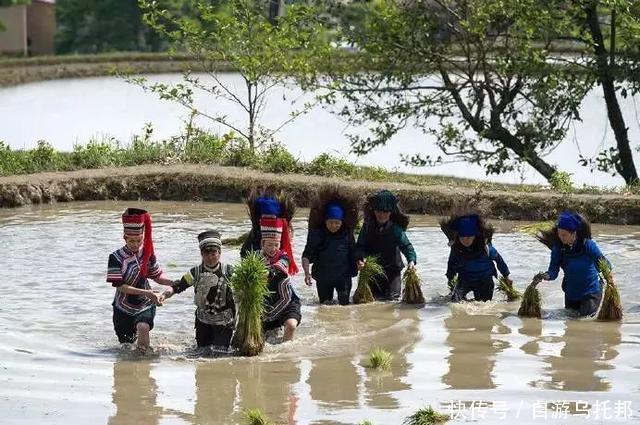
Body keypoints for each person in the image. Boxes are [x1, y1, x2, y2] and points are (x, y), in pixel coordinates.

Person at [106, 208, 174, 351]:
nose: (136, 244)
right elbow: (120, 286)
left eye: (139, 240)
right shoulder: (116, 257)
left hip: (145, 303)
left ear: (143, 237)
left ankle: (144, 365)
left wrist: (173, 283)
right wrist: (148, 292)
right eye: (131, 241)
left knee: (143, 327)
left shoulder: (147, 253)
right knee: (126, 346)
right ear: (124, 238)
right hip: (122, 306)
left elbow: (157, 276)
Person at [163, 230, 235, 350]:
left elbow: (244, 285)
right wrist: (165, 294)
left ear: (219, 253)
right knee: (202, 353)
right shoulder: (195, 272)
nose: (210, 257)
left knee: (221, 352)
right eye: (206, 254)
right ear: (201, 254)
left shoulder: (229, 271)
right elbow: (179, 285)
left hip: (224, 321)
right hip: (203, 320)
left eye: (213, 254)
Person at [534, 211, 609, 317]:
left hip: (591, 292)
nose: (561, 237)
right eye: (559, 234)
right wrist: (545, 276)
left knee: (585, 321)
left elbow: (605, 264)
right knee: (570, 323)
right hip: (571, 293)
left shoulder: (588, 245)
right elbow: (553, 271)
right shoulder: (558, 249)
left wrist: (610, 281)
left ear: (574, 234)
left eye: (564, 235)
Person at [355, 190, 416, 301]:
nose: (382, 215)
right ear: (374, 210)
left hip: (392, 272)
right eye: (379, 211)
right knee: (367, 302)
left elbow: (407, 246)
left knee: (393, 300)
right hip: (372, 271)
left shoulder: (396, 229)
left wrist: (411, 261)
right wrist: (360, 259)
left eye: (385, 211)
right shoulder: (367, 227)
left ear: (391, 212)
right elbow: (360, 246)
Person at [302, 187, 359, 305]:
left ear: (342, 222)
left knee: (344, 306)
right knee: (324, 306)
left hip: (343, 278)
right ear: (325, 221)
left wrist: (359, 261)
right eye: (330, 222)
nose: (334, 226)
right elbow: (307, 255)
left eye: (337, 223)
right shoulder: (317, 234)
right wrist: (307, 273)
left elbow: (355, 252)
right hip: (323, 278)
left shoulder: (347, 234)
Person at [441, 212, 511, 302]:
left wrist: (506, 276)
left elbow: (499, 260)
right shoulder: (456, 249)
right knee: (455, 302)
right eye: (462, 237)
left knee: (483, 305)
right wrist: (450, 278)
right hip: (465, 280)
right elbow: (451, 263)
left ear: (475, 235)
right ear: (458, 236)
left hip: (485, 281)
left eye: (469, 237)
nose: (466, 240)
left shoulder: (486, 248)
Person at [260, 216, 301, 341]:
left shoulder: (284, 257)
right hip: (265, 305)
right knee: (264, 338)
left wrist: (265, 272)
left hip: (287, 301)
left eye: (276, 245)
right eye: (270, 245)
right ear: (262, 243)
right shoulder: (255, 257)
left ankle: (287, 353)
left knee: (291, 326)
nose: (273, 248)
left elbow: (278, 269)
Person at [240, 190, 298, 274]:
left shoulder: (283, 232)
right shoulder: (256, 231)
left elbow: (286, 257)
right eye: (265, 218)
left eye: (271, 218)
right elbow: (244, 253)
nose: (268, 222)